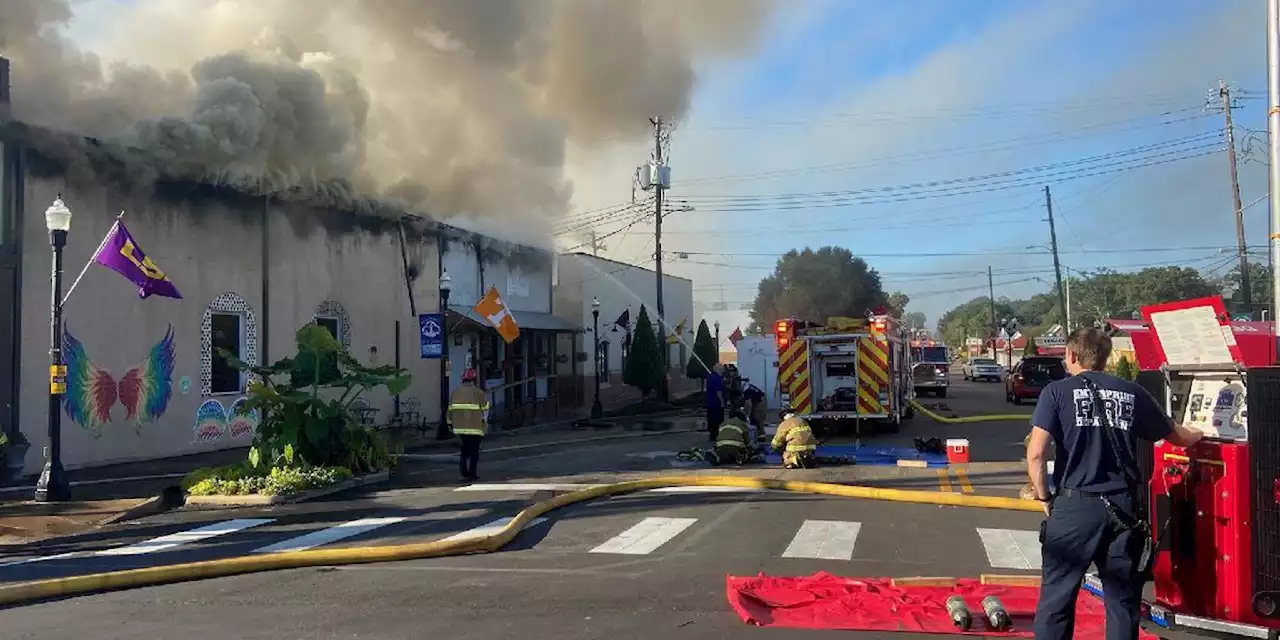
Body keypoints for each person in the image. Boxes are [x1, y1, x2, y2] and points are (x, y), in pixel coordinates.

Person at [1028, 328, 1204, 640]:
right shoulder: (1132, 393)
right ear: (1105, 358)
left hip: (1075, 506)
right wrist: (1202, 432)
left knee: (1057, 599)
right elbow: (1178, 436)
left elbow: (1037, 454)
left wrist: (1045, 497)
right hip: (1123, 509)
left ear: (1071, 355)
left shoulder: (1056, 393)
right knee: (1123, 600)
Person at [448, 367, 492, 481]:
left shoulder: (455, 392)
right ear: (474, 380)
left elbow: (450, 410)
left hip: (460, 428)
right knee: (474, 452)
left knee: (464, 450)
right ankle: (472, 474)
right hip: (475, 428)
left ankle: (464, 471)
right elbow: (485, 410)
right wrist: (485, 423)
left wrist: (450, 423)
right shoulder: (479, 392)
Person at [705, 364, 726, 441]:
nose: (723, 369)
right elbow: (719, 392)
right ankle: (717, 436)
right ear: (719, 369)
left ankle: (712, 435)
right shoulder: (718, 379)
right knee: (718, 420)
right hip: (716, 403)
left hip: (709, 402)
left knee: (711, 419)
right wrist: (722, 402)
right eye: (722, 368)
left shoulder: (710, 377)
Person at [742, 380, 767, 445]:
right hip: (761, 401)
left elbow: (749, 404)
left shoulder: (747, 391)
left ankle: (760, 437)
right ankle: (759, 436)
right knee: (757, 419)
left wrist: (747, 414)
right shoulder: (750, 387)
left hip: (759, 403)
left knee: (757, 418)